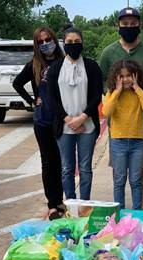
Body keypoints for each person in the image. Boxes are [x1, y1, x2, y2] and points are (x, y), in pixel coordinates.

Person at [99, 7, 143, 210]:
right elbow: (101, 79)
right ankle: (120, 207)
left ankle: (141, 203)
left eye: (133, 24)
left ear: (139, 25)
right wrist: (115, 93)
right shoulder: (109, 52)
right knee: (119, 168)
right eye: (125, 24)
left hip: (142, 115)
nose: (129, 27)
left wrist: (138, 91)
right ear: (119, 25)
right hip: (118, 118)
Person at [13, 27, 65, 220]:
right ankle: (53, 204)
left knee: (62, 163)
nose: (45, 44)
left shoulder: (64, 62)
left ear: (54, 39)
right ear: (37, 45)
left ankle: (63, 201)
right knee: (48, 162)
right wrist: (32, 100)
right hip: (42, 121)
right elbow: (17, 83)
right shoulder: (34, 64)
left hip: (62, 120)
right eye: (41, 41)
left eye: (48, 39)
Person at [47, 26, 102, 200]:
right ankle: (70, 203)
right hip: (64, 126)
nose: (73, 45)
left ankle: (85, 204)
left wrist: (82, 118)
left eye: (77, 42)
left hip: (87, 125)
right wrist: (68, 119)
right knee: (66, 168)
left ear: (82, 43)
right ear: (64, 44)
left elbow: (97, 95)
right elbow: (51, 98)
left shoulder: (91, 66)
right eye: (69, 42)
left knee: (85, 168)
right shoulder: (55, 69)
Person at [102, 60, 143, 210]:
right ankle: (120, 212)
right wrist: (117, 91)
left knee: (136, 180)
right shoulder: (112, 93)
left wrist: (137, 88)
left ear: (136, 76)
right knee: (119, 181)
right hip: (119, 142)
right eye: (121, 76)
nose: (125, 79)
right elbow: (106, 112)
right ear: (115, 78)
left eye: (129, 76)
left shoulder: (138, 93)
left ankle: (137, 211)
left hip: (137, 142)